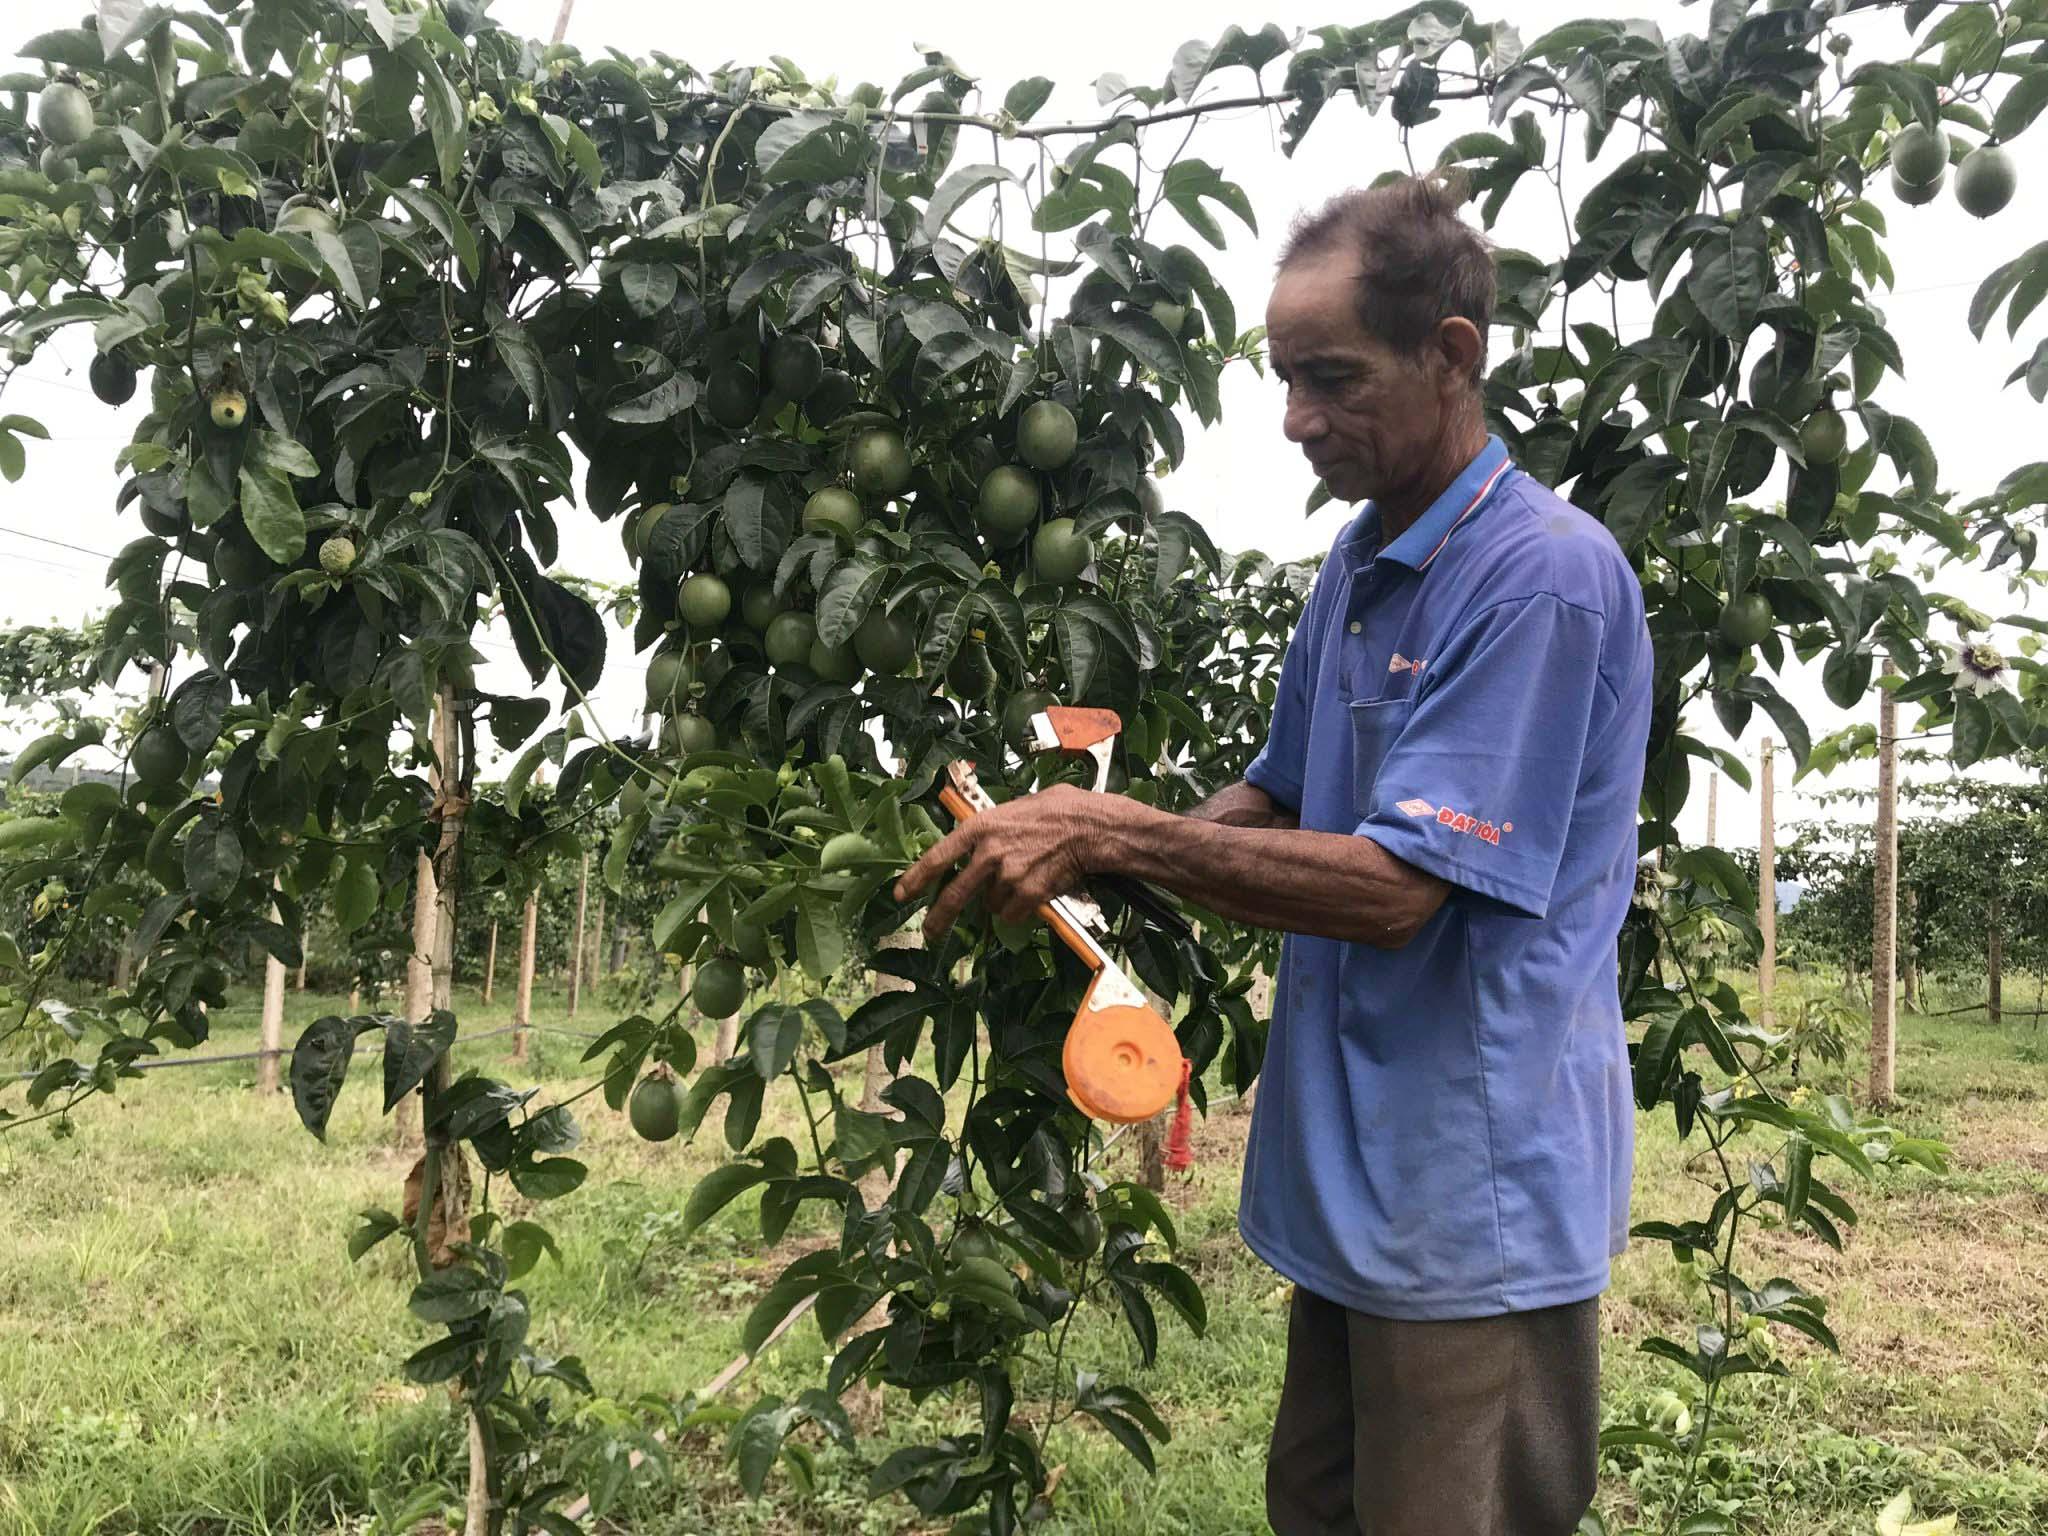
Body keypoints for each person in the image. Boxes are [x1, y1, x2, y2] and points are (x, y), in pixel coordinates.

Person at [895, 174, 1653, 1536]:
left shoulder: (1539, 576)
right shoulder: (1361, 566)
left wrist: (1113, 831)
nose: (1298, 420)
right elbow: (1276, 797)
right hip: (1353, 1184)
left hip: (1472, 1207)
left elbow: (1398, 890)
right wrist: (1085, 847)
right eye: (1283, 380)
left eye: (1332, 379)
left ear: (1452, 356)